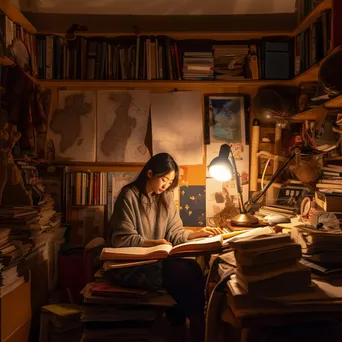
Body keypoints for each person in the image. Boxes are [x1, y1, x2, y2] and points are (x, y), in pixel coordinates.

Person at [107, 152, 223, 342]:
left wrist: (197, 234)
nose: (166, 186)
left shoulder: (166, 198)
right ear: (150, 173)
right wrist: (154, 243)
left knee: (192, 268)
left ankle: (187, 323)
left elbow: (175, 234)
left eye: (170, 183)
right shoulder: (129, 195)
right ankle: (195, 327)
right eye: (164, 179)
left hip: (157, 260)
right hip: (131, 265)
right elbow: (121, 239)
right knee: (182, 274)